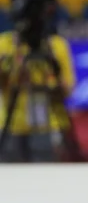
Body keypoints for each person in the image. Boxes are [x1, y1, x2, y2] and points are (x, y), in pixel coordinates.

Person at [0, 29, 76, 162]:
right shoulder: (5, 44)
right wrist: (11, 69)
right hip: (11, 125)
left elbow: (68, 91)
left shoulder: (56, 45)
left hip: (48, 125)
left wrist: (47, 80)